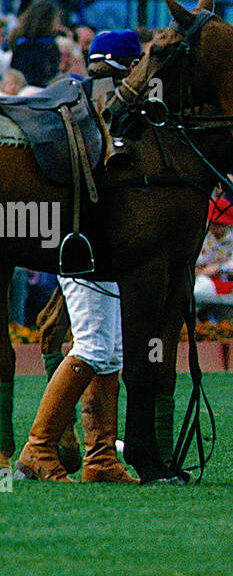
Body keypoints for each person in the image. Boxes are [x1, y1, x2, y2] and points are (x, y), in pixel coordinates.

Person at [13, 33, 147, 484]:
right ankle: (38, 448)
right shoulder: (99, 117)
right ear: (131, 69)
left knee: (110, 352)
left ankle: (102, 458)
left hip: (102, 249)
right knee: (93, 346)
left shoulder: (93, 110)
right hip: (82, 250)